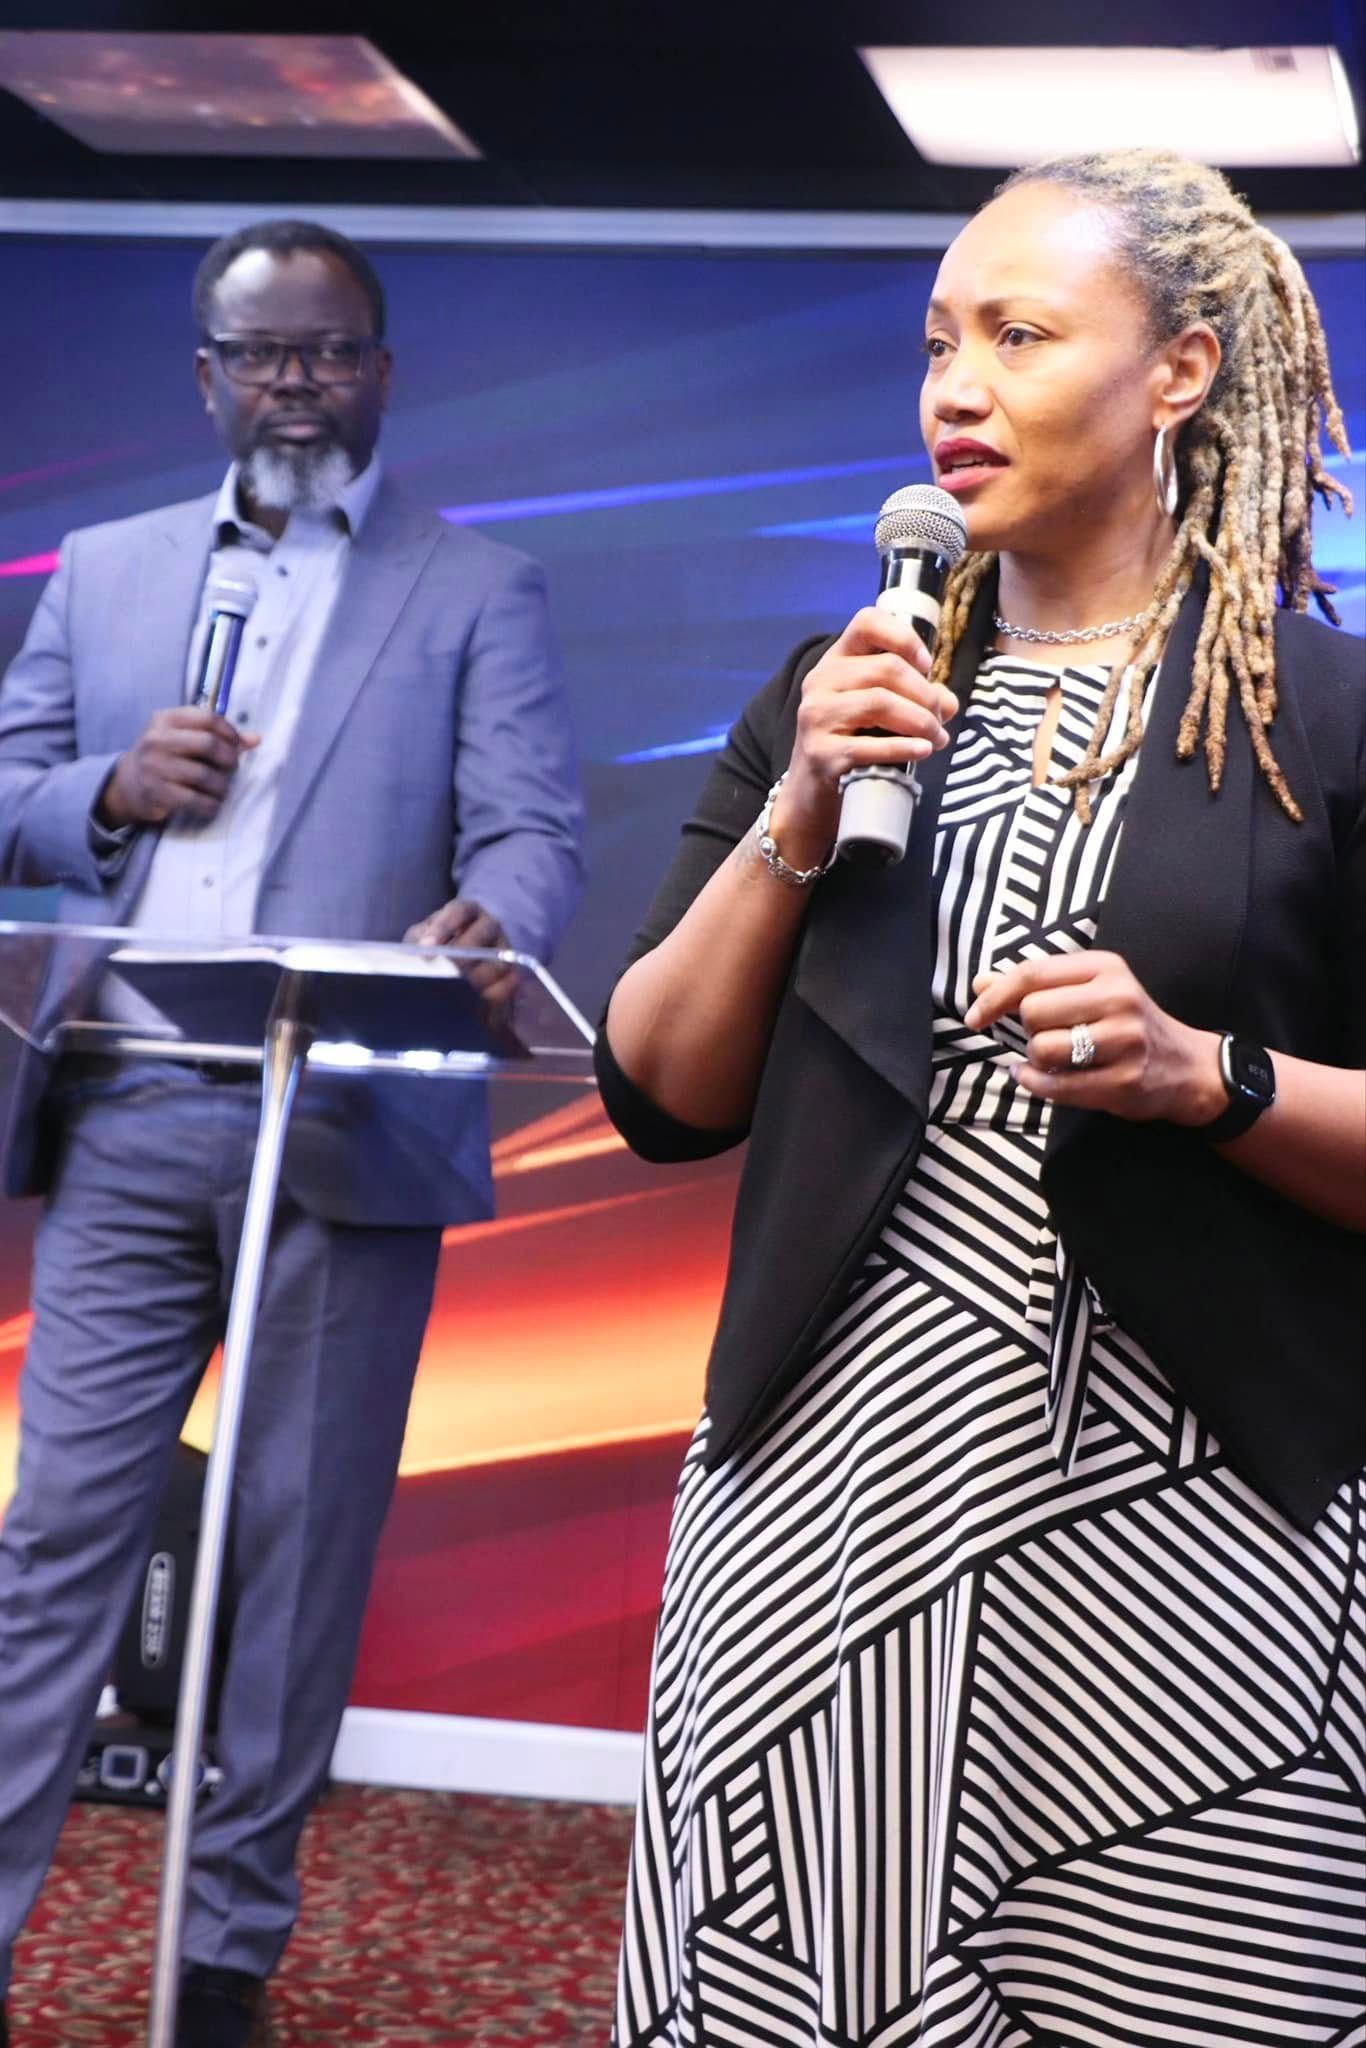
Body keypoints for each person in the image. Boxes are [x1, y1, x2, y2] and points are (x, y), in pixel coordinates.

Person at [598, 152, 1364, 2046]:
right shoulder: (836, 691)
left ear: (1179, 371)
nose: (955, 388)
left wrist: (1207, 1077)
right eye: (938, 343)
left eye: (1020, 337)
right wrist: (792, 818)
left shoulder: (1326, 718)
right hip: (819, 1500)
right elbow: (660, 1088)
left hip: (1188, 1524)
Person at [0, 220, 582, 2047]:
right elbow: (8, 787)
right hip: (132, 1107)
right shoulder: (105, 571)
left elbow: (530, 830)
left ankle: (225, 1953)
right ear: (208, 379)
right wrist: (103, 790)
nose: (297, 386)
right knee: (55, 1544)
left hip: (348, 1116)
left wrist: (497, 918)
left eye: (330, 353)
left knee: (295, 1554)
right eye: (262, 355)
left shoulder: (477, 588)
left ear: (381, 372)